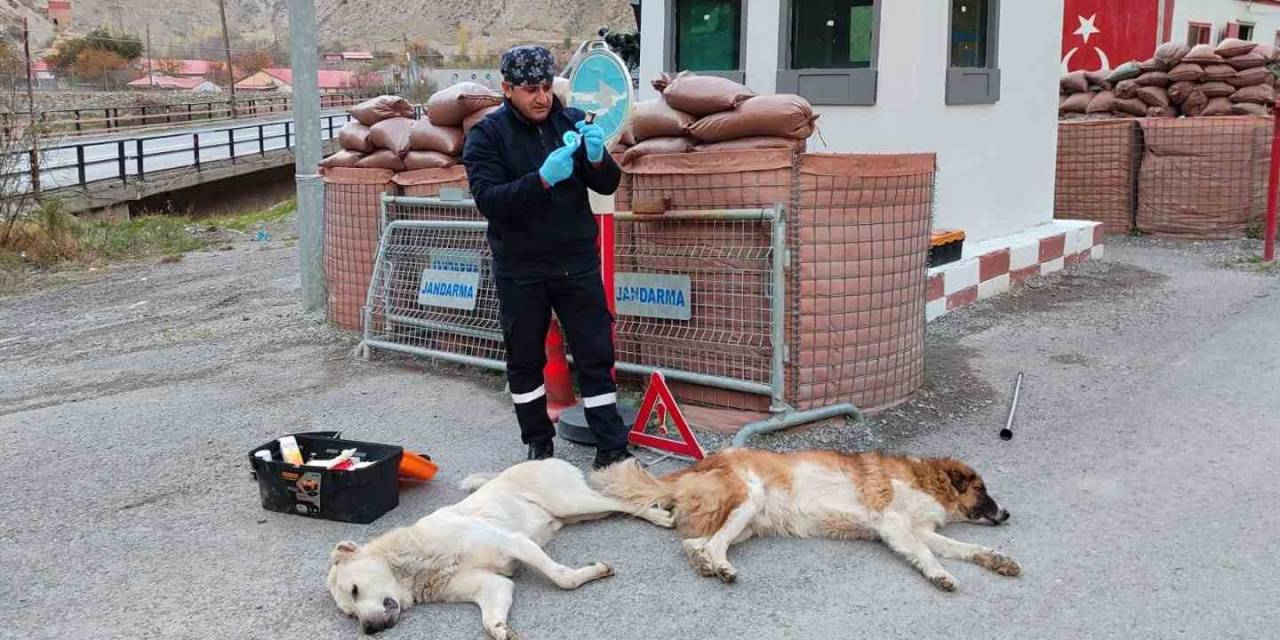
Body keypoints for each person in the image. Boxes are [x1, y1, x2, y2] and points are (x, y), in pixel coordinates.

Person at [462, 44, 633, 470]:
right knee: (525, 359)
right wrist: (540, 180)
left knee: (595, 352)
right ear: (507, 88)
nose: (541, 97)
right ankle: (538, 444)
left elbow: (608, 185)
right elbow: (490, 201)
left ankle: (610, 446)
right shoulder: (488, 135)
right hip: (521, 269)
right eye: (529, 90)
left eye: (545, 87)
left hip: (576, 261)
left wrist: (597, 159)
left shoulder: (572, 121)